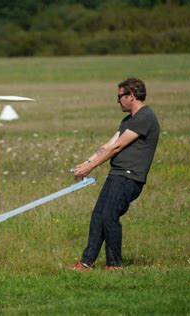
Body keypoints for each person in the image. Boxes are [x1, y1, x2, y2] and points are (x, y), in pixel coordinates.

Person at [69, 77, 160, 271]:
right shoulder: (129, 120)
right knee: (98, 215)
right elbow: (108, 145)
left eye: (120, 96)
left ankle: (114, 265)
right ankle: (87, 262)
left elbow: (117, 147)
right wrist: (86, 163)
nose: (117, 100)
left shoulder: (145, 117)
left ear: (132, 96)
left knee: (109, 215)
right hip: (117, 174)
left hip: (129, 177)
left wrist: (91, 167)